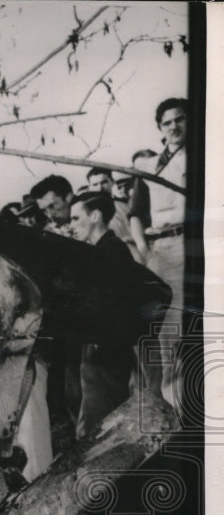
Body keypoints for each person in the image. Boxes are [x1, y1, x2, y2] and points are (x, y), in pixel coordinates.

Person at [65, 191, 137, 438]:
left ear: (95, 215)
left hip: (106, 352)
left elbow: (115, 305)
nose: (71, 225)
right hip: (101, 348)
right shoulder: (104, 250)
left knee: (102, 428)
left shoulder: (111, 251)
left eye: (75, 218)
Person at [133, 99, 187, 408]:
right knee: (169, 334)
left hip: (198, 245)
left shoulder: (204, 156)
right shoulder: (149, 167)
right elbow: (136, 213)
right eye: (167, 123)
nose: (174, 127)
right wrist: (143, 248)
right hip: (163, 250)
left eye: (180, 120)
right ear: (160, 129)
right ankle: (176, 410)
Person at [85, 167, 140, 261]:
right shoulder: (85, 213)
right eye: (95, 184)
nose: (100, 188)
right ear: (89, 187)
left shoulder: (125, 207)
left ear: (112, 182)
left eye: (104, 182)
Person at [126, 149, 159, 261]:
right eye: (138, 168)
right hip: (152, 243)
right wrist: (143, 247)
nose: (142, 171)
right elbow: (135, 215)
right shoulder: (138, 188)